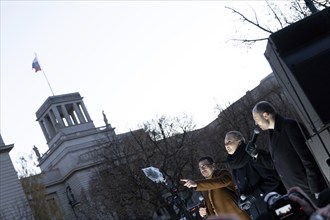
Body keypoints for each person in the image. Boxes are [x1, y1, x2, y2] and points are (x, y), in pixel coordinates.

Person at [247, 101, 327, 203]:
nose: (256, 124)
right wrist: (256, 154)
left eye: (256, 119)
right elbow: (275, 163)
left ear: (266, 115)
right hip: (297, 194)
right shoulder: (272, 135)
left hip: (311, 191)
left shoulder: (290, 126)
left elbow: (309, 158)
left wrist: (317, 190)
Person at [225, 131, 286, 219]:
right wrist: (242, 201)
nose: (226, 145)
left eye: (229, 141)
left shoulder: (253, 155)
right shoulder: (235, 167)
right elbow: (243, 190)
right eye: (225, 143)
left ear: (239, 141)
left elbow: (273, 179)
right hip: (257, 213)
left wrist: (254, 195)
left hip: (274, 205)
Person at [181, 156, 251, 220]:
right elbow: (212, 210)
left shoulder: (223, 174)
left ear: (213, 165)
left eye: (204, 166)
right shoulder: (205, 187)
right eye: (200, 167)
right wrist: (205, 213)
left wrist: (196, 184)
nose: (202, 169)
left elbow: (221, 182)